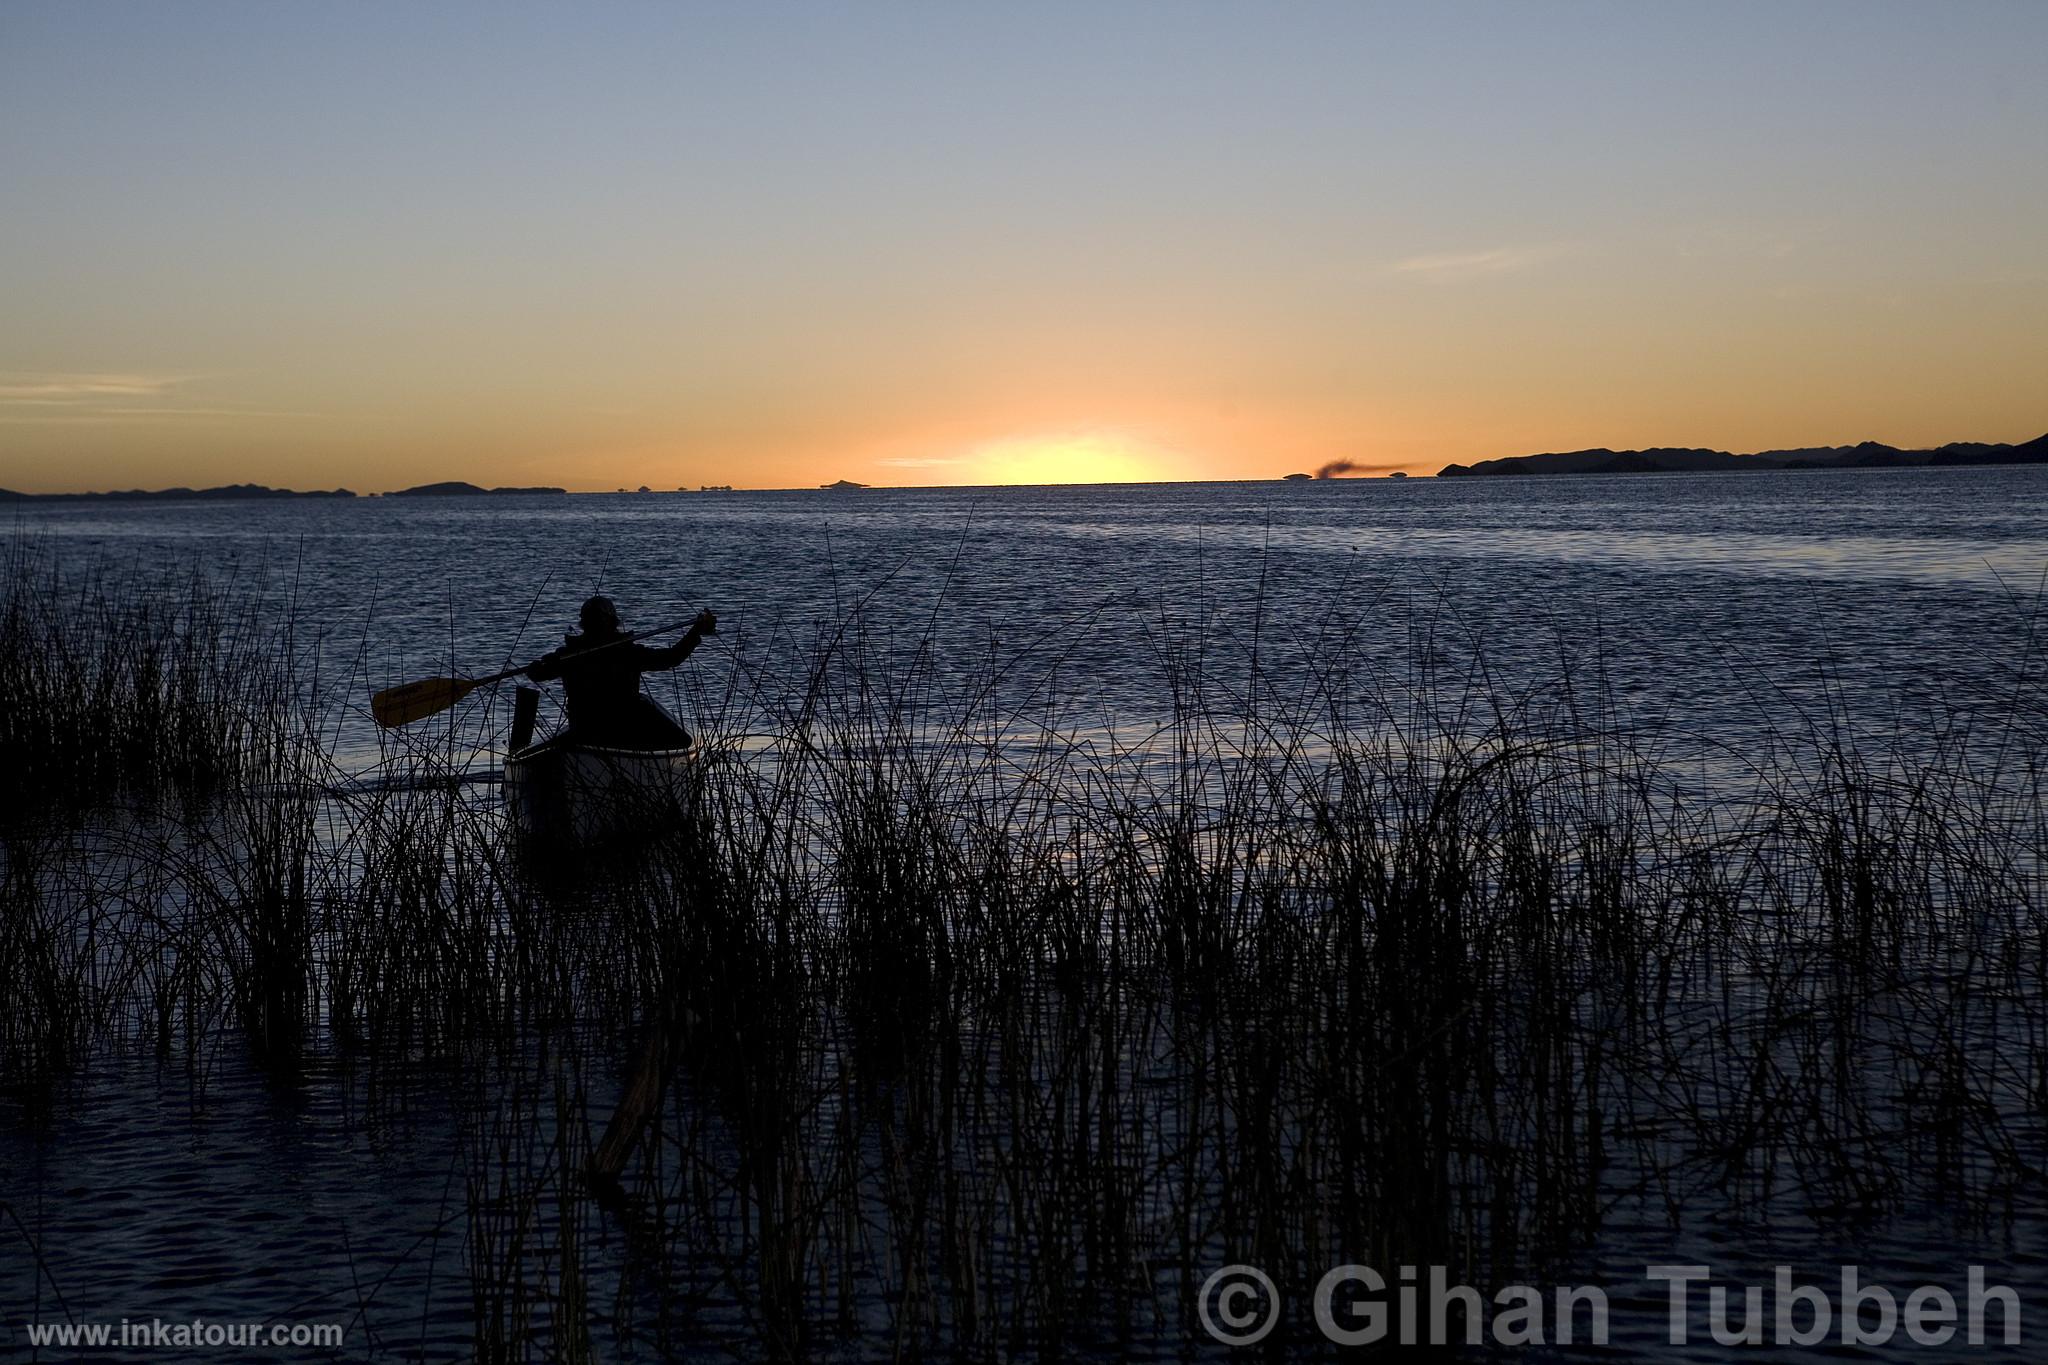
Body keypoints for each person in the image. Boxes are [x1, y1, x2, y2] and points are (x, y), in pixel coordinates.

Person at [525, 596, 716, 748]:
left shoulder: (626, 652)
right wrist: (537, 667)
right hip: (590, 727)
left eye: (599, 622)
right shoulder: (568, 655)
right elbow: (540, 674)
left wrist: (695, 633)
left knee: (680, 739)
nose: (597, 627)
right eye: (593, 622)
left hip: (617, 726)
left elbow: (670, 658)